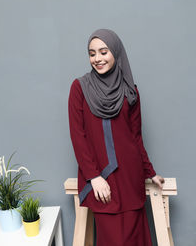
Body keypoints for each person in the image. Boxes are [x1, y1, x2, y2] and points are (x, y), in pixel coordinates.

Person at [68, 29, 164, 246]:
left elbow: (136, 137)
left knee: (135, 239)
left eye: (104, 52)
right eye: (92, 53)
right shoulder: (80, 88)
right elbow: (78, 137)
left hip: (130, 177)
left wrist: (151, 172)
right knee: (112, 239)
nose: (97, 59)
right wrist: (94, 177)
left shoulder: (130, 91)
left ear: (116, 53)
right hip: (102, 178)